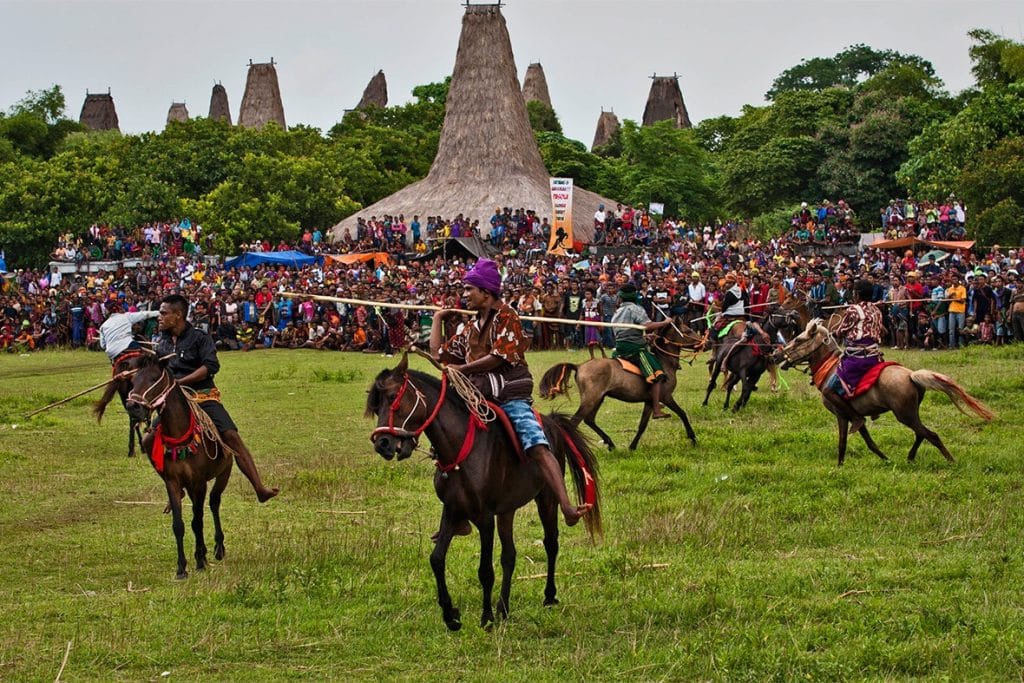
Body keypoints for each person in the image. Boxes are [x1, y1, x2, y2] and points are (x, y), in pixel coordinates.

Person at [429, 259, 590, 533]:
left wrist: (463, 369)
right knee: (447, 444)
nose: (464, 295)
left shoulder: (507, 316)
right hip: (477, 397)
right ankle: (458, 516)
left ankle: (566, 506)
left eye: (469, 290)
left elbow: (498, 357)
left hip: (509, 395)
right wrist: (437, 319)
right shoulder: (470, 327)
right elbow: (438, 355)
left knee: (536, 444)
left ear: (486, 293)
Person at [155, 294, 278, 502]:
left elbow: (210, 366)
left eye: (163, 313)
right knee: (150, 439)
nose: (159, 317)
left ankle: (259, 488)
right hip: (175, 402)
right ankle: (174, 485)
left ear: (178, 315)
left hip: (202, 396)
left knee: (231, 435)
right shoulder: (162, 342)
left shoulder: (200, 337)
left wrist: (180, 382)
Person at [822, 280, 885, 434]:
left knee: (828, 391)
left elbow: (841, 330)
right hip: (874, 356)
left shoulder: (853, 310)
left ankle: (856, 417)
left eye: (854, 292)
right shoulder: (877, 310)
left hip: (857, 359)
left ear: (857, 294)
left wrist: (834, 332)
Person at [610, 283, 672, 420]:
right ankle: (656, 410)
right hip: (634, 349)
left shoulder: (617, 312)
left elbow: (624, 332)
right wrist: (665, 322)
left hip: (619, 347)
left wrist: (643, 337)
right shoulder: (636, 309)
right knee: (657, 374)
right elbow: (648, 326)